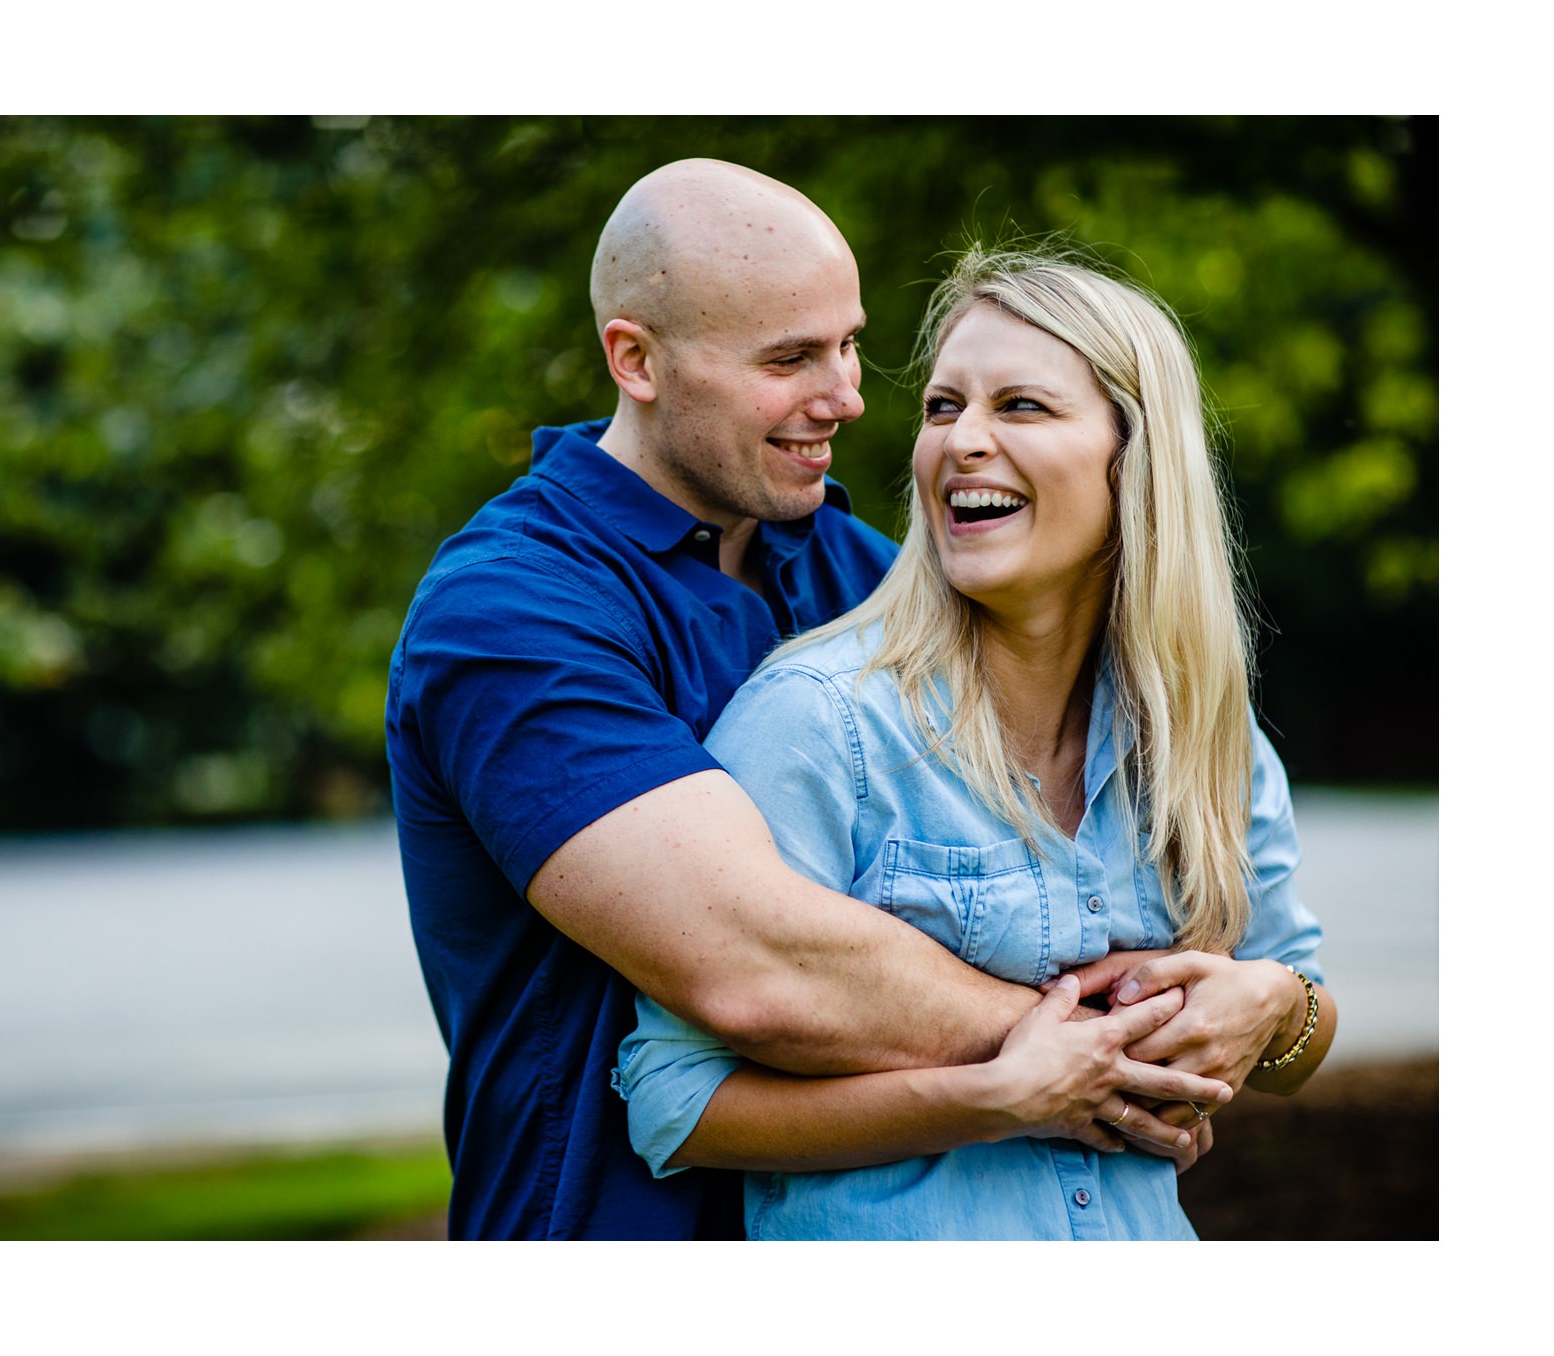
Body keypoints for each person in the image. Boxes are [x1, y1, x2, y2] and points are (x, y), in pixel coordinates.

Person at [388, 162, 1234, 1240]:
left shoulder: (869, 575)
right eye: (790, 359)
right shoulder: (510, 608)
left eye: (848, 343)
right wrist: (1112, 1056)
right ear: (635, 360)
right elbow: (754, 964)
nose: (845, 396)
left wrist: (1276, 1007)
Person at [612, 246, 1338, 1239]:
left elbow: (1301, 1017)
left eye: (1022, 408)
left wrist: (1270, 1006)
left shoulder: (1202, 730)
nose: (963, 443)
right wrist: (997, 1095)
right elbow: (673, 1103)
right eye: (944, 408)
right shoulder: (820, 722)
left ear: (1136, 456)